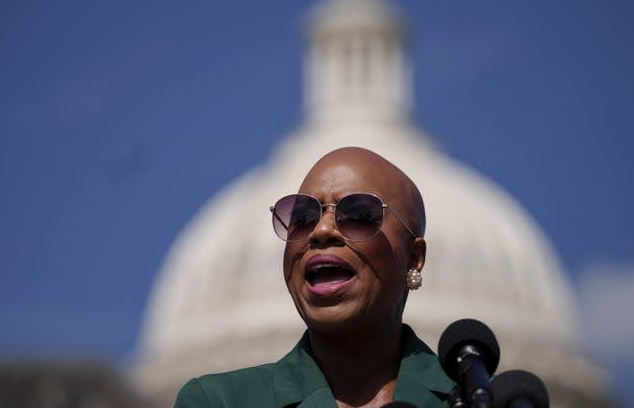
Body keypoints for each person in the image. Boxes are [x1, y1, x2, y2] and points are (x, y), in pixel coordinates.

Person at [174, 147, 456, 407]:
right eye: (303, 218)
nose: (320, 231)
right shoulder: (219, 402)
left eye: (359, 214)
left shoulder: (481, 400)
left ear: (414, 257)